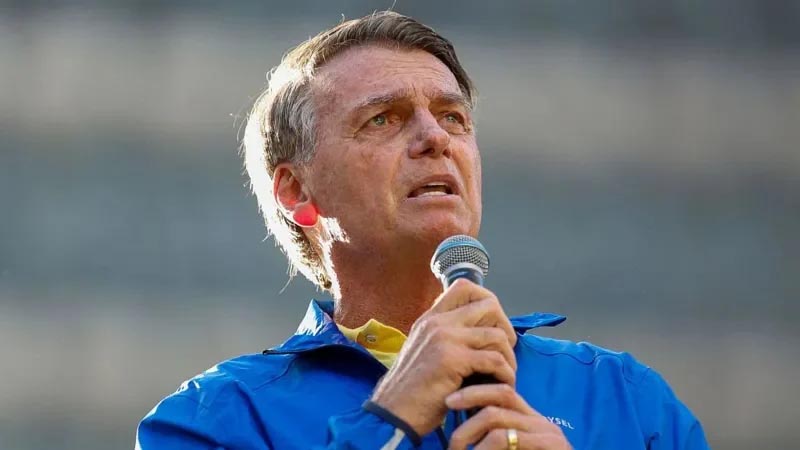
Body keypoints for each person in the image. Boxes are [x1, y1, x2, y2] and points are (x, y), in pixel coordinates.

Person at [136, 11, 708, 450]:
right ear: (297, 192)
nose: (436, 138)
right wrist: (391, 420)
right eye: (382, 118)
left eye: (453, 117)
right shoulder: (213, 421)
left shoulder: (626, 398)